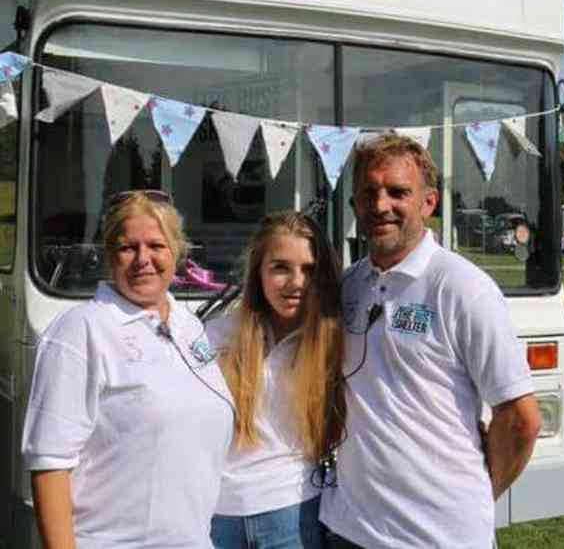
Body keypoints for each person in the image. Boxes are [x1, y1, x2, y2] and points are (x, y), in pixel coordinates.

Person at [321, 134, 541, 549]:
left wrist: (474, 494)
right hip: (349, 530)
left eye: (398, 192)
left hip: (437, 537)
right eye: (369, 192)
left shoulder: (463, 288)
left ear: (429, 203)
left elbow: (521, 419)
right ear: (354, 205)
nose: (381, 205)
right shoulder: (349, 285)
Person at [22, 190, 234, 549]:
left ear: (177, 253)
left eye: (156, 246)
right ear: (108, 255)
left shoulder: (190, 327)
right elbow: (50, 464)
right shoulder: (81, 331)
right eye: (127, 248)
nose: (143, 260)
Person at [206, 211, 346, 549]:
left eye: (309, 270)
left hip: (293, 513)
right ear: (259, 271)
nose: (296, 282)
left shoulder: (340, 342)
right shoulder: (215, 335)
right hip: (216, 513)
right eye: (280, 267)